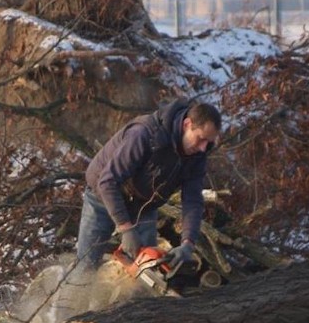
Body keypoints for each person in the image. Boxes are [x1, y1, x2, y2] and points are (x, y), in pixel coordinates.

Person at [76, 99, 221, 269]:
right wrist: (126, 228)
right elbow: (108, 181)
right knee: (85, 267)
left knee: (147, 268)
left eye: (208, 142)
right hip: (102, 197)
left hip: (143, 206)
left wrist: (188, 243)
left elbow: (193, 201)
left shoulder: (197, 156)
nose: (203, 148)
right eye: (200, 139)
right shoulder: (144, 134)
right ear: (187, 124)